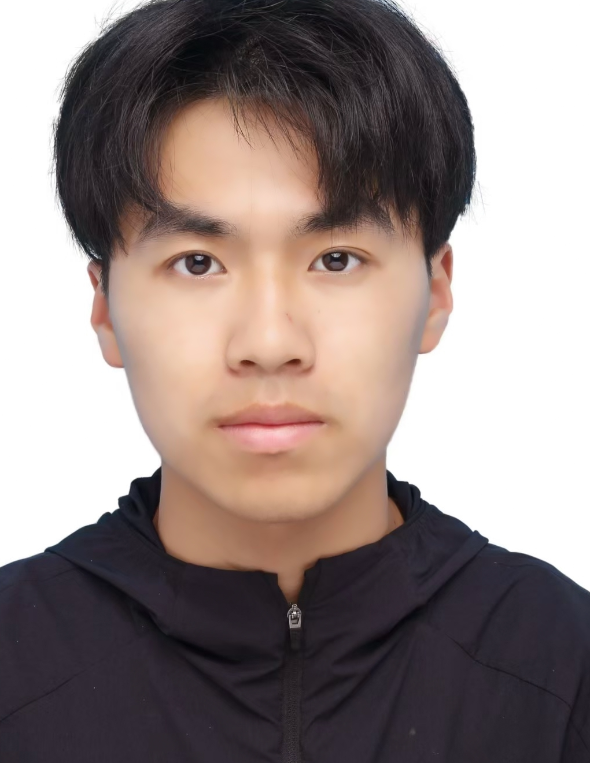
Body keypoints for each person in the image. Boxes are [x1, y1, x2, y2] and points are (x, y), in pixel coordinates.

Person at [1, 0, 588, 759]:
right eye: (197, 263)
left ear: (436, 293)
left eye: (336, 259)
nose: (270, 343)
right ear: (105, 307)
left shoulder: (560, 668)